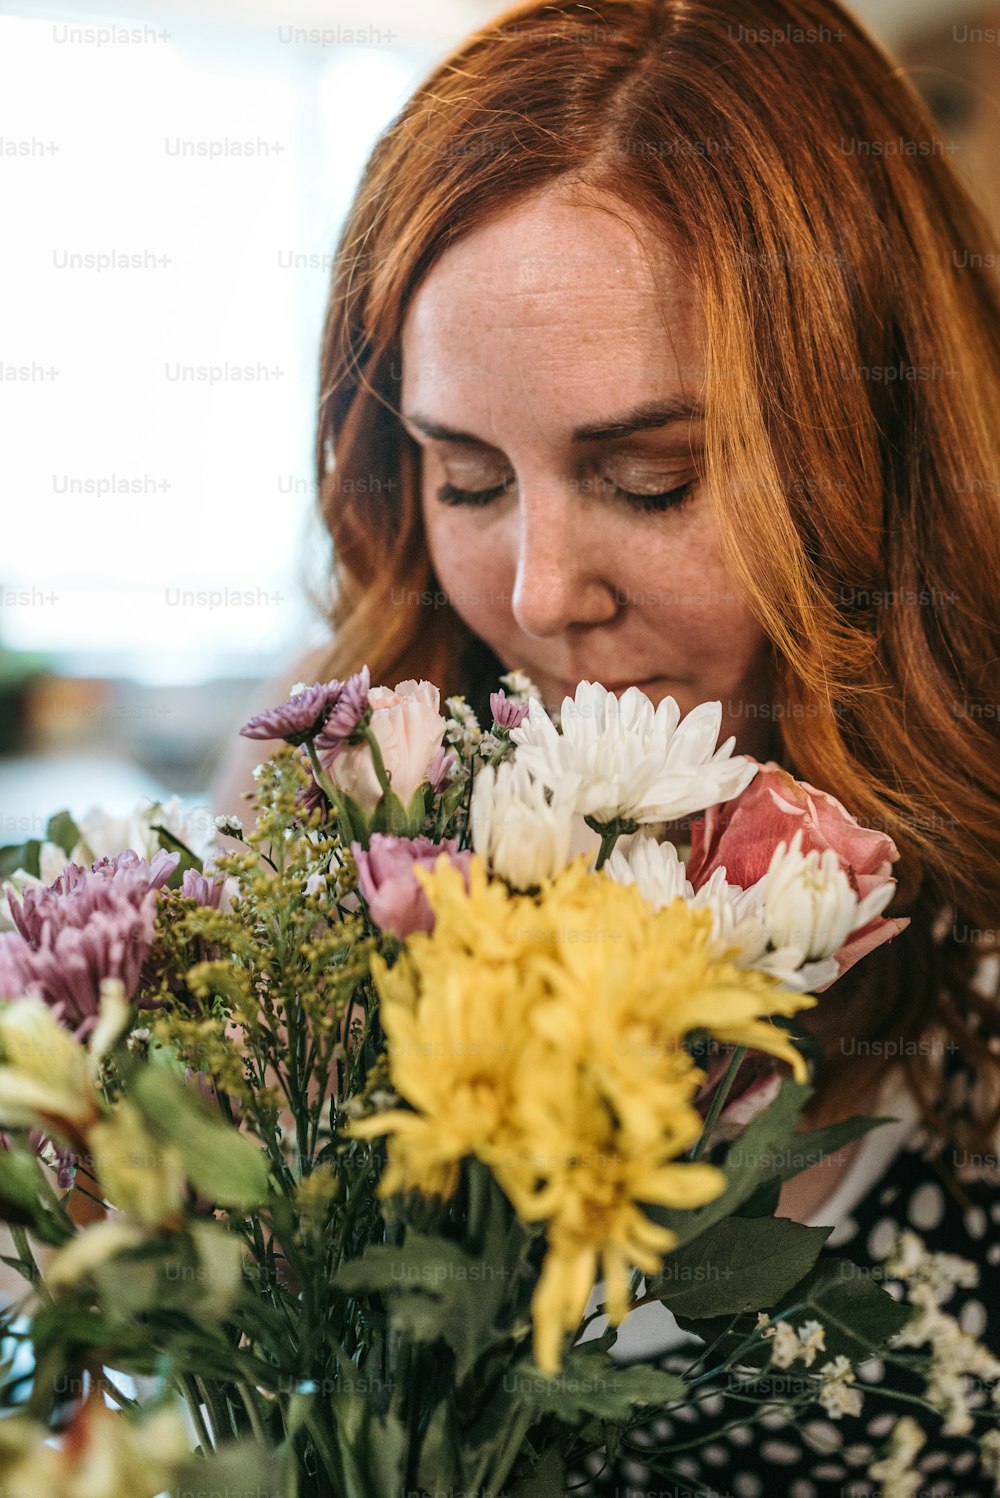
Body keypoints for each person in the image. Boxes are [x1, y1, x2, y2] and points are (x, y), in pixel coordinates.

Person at [210, 0, 1000, 1490]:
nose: (536, 596)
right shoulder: (325, 822)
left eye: (652, 478)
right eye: (465, 475)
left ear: (882, 464)